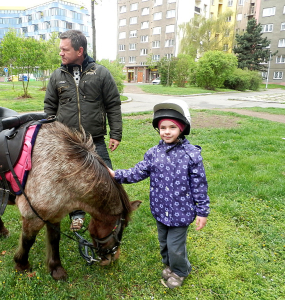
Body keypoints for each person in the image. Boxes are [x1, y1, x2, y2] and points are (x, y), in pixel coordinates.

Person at [108, 99, 210, 289]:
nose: (167, 131)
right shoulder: (153, 153)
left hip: (181, 213)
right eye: (163, 127)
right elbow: (138, 172)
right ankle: (170, 265)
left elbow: (199, 186)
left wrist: (202, 212)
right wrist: (116, 175)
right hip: (160, 209)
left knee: (175, 247)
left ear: (182, 128)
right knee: (164, 243)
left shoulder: (191, 155)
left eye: (172, 127)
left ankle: (181, 270)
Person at [44, 29, 123, 231]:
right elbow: (49, 109)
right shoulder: (57, 76)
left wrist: (115, 134)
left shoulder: (101, 73)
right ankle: (76, 215)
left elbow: (113, 104)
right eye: (60, 49)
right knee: (71, 180)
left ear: (80, 51)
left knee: (107, 177)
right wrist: (53, 135)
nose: (60, 53)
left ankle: (110, 213)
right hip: (68, 142)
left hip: (95, 139)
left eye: (65, 49)